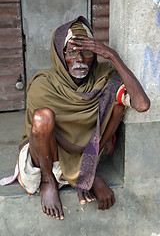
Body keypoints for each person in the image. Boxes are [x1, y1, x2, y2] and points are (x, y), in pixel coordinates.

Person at [2, 16, 150, 220]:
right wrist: (87, 173)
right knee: (42, 118)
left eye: (87, 52)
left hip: (91, 151)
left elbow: (142, 104)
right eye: (71, 52)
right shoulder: (44, 84)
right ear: (60, 55)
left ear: (96, 54)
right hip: (49, 154)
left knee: (118, 106)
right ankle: (48, 182)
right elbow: (48, 136)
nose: (80, 60)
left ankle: (74, 174)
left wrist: (113, 55)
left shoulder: (104, 77)